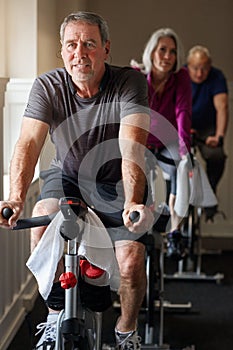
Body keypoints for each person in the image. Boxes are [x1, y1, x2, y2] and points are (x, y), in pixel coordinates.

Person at [0, 12, 154, 350]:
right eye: (71, 45)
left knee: (130, 262)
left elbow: (132, 149)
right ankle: (56, 314)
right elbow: (28, 143)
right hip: (67, 176)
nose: (79, 53)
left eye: (89, 44)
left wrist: (132, 202)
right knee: (42, 215)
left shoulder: (130, 83)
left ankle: (126, 331)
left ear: (106, 49)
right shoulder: (48, 86)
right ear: (62, 51)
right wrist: (13, 199)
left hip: (116, 184)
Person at [131, 28, 192, 259]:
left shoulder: (181, 77)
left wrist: (184, 146)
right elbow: (134, 112)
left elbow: (182, 111)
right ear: (152, 52)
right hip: (143, 139)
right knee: (136, 173)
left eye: (172, 52)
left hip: (168, 140)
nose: (167, 56)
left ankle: (175, 232)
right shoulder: (138, 75)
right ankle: (141, 224)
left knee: (181, 166)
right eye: (162, 50)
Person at [187, 45, 228, 221]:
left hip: (207, 128)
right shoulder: (179, 76)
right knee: (176, 160)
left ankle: (209, 196)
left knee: (217, 155)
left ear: (210, 65)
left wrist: (218, 136)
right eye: (195, 68)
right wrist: (183, 128)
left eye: (204, 68)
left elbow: (222, 107)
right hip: (184, 124)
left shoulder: (217, 77)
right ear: (187, 66)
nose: (199, 73)